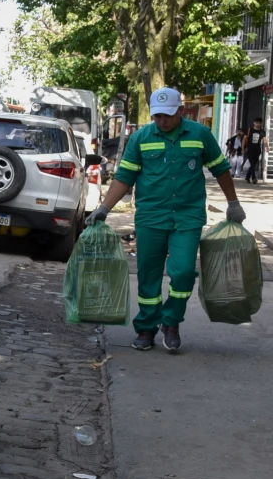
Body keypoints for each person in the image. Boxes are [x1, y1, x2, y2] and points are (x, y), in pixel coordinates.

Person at [87, 87, 245, 353]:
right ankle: (147, 327)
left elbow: (221, 168)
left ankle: (171, 322)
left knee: (183, 272)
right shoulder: (141, 138)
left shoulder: (200, 135)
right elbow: (124, 177)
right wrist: (103, 208)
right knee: (149, 275)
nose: (162, 121)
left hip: (188, 215)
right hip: (151, 216)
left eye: (168, 115)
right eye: (158, 116)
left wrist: (233, 203)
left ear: (180, 111)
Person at [244, 118, 267, 184]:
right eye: (257, 123)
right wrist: (243, 148)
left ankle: (247, 177)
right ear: (254, 123)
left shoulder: (262, 131)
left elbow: (265, 140)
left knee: (253, 165)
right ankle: (254, 178)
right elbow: (244, 139)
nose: (258, 124)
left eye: (259, 123)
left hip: (257, 150)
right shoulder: (250, 129)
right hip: (250, 150)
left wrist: (267, 147)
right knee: (252, 163)